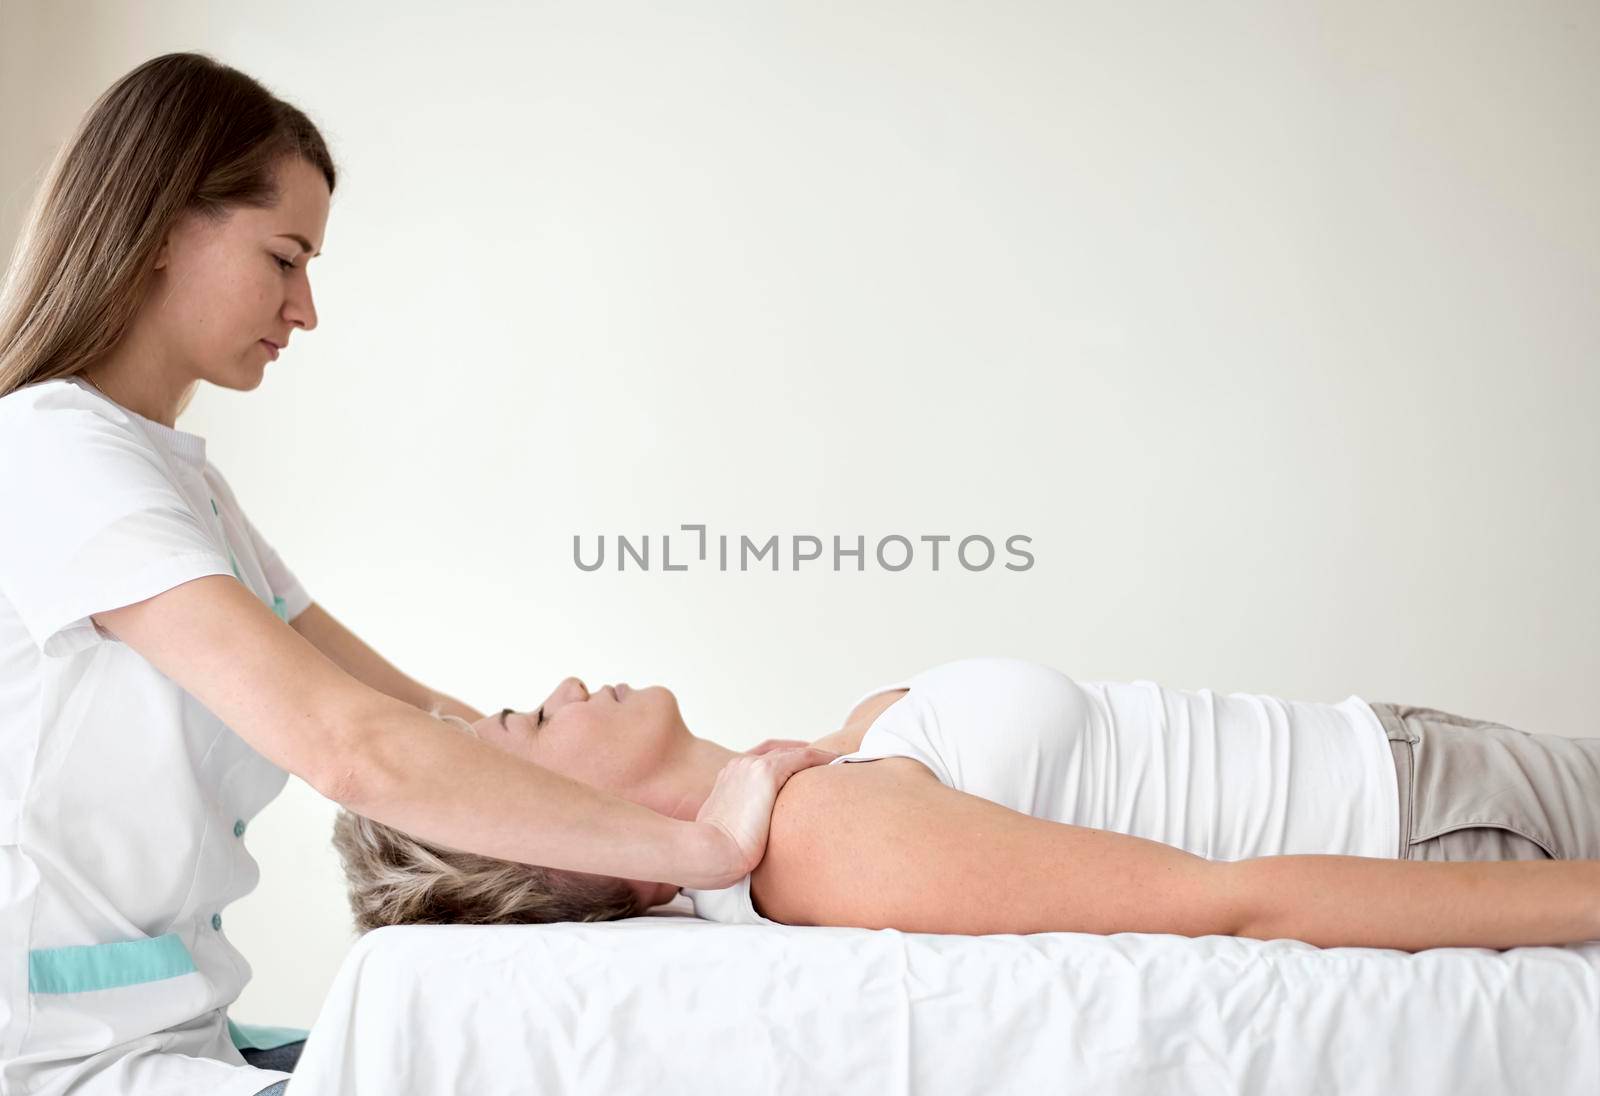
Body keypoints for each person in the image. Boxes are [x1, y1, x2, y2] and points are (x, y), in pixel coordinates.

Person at [0, 52, 836, 1096]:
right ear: (167, 226)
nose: (304, 308)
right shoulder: (56, 456)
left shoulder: (174, 484)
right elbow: (348, 746)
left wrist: (707, 785)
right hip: (59, 1058)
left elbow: (420, 715)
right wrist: (700, 848)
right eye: (285, 257)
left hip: (178, 1035)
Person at [336, 656, 1600, 953]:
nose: (562, 685)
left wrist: (796, 756)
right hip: (1448, 829)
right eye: (531, 724)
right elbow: (1229, 901)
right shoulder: (825, 846)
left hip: (1424, 764)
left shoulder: (809, 791)